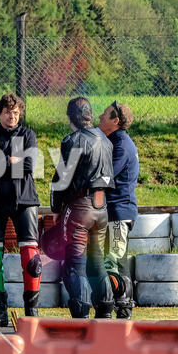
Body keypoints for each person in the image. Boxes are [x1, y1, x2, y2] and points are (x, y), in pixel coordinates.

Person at [50, 97, 115, 319]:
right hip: (101, 207)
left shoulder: (72, 140)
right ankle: (105, 309)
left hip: (79, 208)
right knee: (96, 260)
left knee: (74, 261)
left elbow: (61, 178)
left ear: (70, 117)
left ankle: (81, 310)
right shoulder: (106, 140)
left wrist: (56, 207)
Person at [0, 93, 41, 326]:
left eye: (16, 113)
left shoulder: (28, 135)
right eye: (7, 112)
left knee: (32, 259)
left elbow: (28, 166)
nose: (12, 116)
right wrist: (11, 160)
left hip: (25, 200)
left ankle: (31, 313)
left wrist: (1, 162)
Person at [98, 100, 140, 319]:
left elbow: (105, 177)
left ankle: (124, 312)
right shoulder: (115, 141)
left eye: (104, 114)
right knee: (110, 260)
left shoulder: (121, 144)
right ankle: (118, 308)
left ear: (115, 120)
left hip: (118, 212)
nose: (99, 117)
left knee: (115, 260)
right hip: (114, 212)